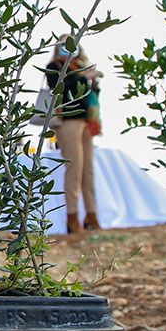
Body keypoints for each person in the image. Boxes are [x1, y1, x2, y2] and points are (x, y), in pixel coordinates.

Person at [46, 36, 103, 234]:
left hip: (86, 122)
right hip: (67, 122)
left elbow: (91, 96)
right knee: (74, 169)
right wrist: (85, 77)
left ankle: (91, 215)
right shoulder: (55, 67)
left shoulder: (82, 66)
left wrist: (92, 81)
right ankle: (72, 218)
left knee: (88, 171)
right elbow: (62, 88)